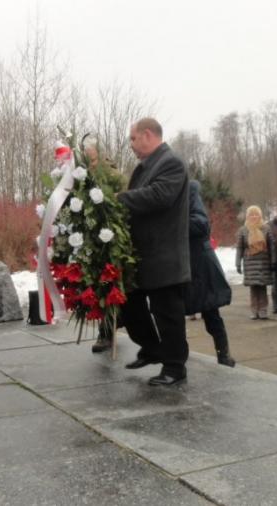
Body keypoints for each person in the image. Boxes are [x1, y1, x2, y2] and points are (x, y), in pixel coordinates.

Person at [118, 118, 191, 386]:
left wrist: (117, 199)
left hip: (164, 255)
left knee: (167, 315)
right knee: (130, 304)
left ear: (147, 135)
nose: (131, 145)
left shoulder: (172, 162)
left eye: (133, 138)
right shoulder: (146, 166)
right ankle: (151, 349)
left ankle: (175, 367)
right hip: (144, 255)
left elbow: (160, 195)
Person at [83, 137, 128, 353]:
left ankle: (107, 331)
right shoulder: (84, 177)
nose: (91, 164)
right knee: (96, 282)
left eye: (93, 159)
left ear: (102, 156)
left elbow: (127, 202)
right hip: (91, 237)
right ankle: (109, 326)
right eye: (87, 160)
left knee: (110, 282)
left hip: (113, 237)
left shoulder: (115, 176)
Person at [185, 180, 236, 367]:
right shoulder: (171, 196)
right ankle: (179, 353)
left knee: (210, 311)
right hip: (182, 264)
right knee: (175, 313)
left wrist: (174, 222)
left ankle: (224, 354)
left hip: (201, 265)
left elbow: (200, 224)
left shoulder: (191, 195)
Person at [235, 206, 276, 320]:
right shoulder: (243, 230)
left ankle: (263, 310)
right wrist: (238, 263)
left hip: (263, 262)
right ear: (248, 217)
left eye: (256, 214)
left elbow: (272, 246)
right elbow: (239, 247)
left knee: (262, 288)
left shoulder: (266, 228)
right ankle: (254, 311)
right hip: (249, 263)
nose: (254, 217)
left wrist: (273, 261)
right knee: (253, 288)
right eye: (251, 215)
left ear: (260, 216)